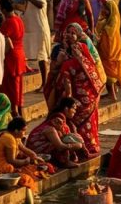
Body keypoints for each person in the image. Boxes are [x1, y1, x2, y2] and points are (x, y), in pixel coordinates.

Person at [44, 23, 104, 155]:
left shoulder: (82, 48)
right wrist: (60, 62)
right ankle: (76, 149)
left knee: (84, 124)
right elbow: (54, 72)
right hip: (69, 94)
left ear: (78, 36)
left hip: (85, 94)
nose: (70, 35)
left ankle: (87, 147)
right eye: (68, 32)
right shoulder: (59, 51)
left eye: (73, 33)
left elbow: (92, 69)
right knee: (71, 123)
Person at [0, 117, 49, 195]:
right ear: (16, 131)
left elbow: (23, 148)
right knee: (14, 169)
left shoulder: (11, 134)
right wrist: (26, 161)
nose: (25, 132)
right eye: (23, 130)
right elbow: (12, 161)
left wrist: (35, 156)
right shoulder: (9, 138)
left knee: (29, 167)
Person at [26, 98, 88, 168]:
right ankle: (65, 162)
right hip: (36, 152)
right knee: (66, 140)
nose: (75, 111)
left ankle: (67, 159)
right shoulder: (50, 129)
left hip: (46, 147)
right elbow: (60, 146)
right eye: (73, 108)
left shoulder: (61, 122)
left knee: (70, 137)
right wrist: (74, 146)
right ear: (66, 109)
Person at [95, 0, 121, 100]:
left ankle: (112, 95)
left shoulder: (112, 22)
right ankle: (112, 93)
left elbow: (107, 36)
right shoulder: (109, 19)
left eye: (106, 9)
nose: (103, 10)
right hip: (111, 51)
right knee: (109, 75)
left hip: (110, 52)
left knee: (109, 75)